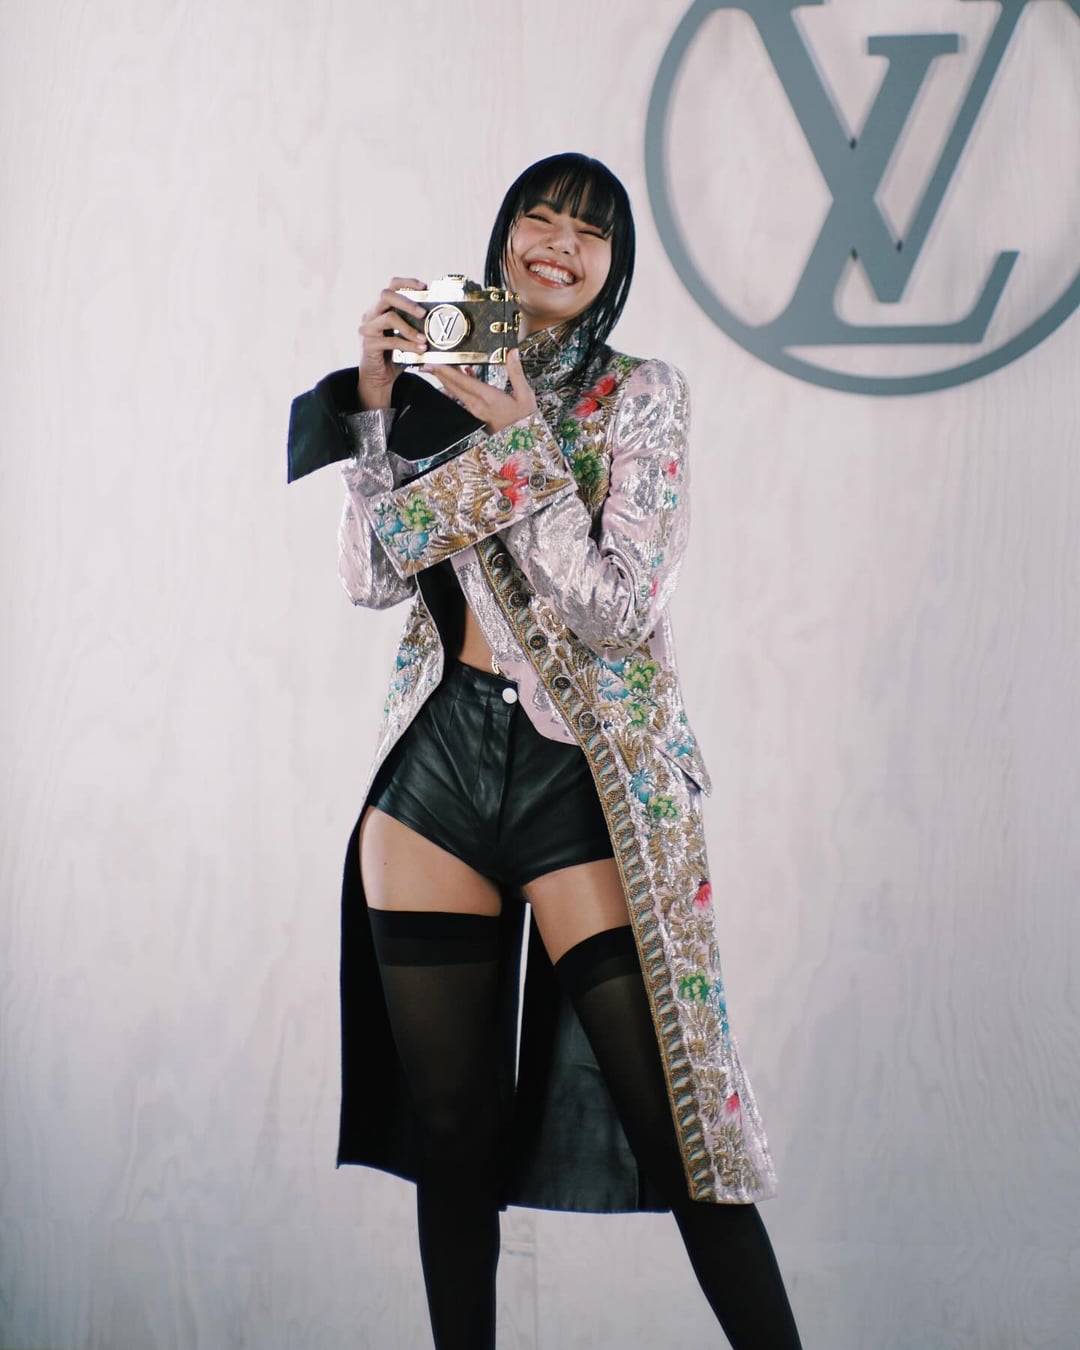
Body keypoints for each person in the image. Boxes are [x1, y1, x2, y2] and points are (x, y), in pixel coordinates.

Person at [311, 153, 802, 1349]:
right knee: (451, 1140)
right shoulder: (441, 383)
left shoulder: (642, 396)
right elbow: (373, 575)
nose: (559, 243)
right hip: (436, 773)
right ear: (502, 239)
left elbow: (617, 608)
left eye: (590, 232)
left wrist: (525, 443)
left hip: (583, 779)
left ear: (613, 267)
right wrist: (373, 407)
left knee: (679, 1125)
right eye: (541, 217)